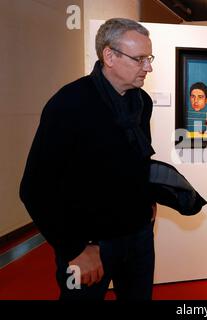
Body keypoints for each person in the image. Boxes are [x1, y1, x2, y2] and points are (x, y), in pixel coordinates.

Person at [20, 18, 157, 300]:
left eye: (149, 58)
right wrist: (76, 249)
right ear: (109, 56)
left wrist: (147, 201)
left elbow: (135, 160)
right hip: (89, 246)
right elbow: (34, 189)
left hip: (138, 238)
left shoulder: (142, 102)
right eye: (140, 59)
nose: (148, 67)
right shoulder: (69, 103)